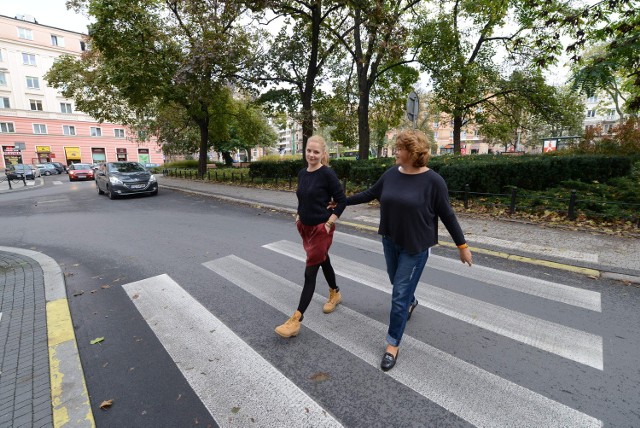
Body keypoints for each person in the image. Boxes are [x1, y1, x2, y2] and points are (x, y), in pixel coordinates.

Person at [346, 129, 472, 371]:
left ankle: (393, 344)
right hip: (390, 240)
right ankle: (411, 301)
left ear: (413, 153)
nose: (396, 151)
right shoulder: (392, 174)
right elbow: (370, 194)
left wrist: (462, 246)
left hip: (415, 247)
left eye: (400, 148)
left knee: (398, 296)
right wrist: (342, 201)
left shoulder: (434, 181)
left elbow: (448, 215)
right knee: (397, 283)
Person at [275, 135, 347, 338]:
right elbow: (303, 197)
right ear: (304, 150)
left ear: (323, 154)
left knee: (310, 273)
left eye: (316, 152)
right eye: (309, 150)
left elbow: (341, 201)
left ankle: (296, 320)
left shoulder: (327, 174)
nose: (312, 155)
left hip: (320, 229)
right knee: (323, 260)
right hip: (305, 227)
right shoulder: (302, 173)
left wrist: (329, 222)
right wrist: (299, 216)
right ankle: (335, 292)